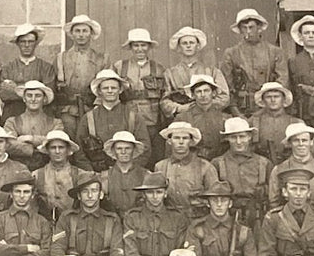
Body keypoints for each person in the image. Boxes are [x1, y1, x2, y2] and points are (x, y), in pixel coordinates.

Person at [75, 69, 151, 171]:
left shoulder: (133, 116)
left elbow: (145, 149)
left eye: (113, 88)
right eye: (106, 88)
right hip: (97, 176)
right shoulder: (88, 118)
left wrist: (129, 170)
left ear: (120, 90)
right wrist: (91, 174)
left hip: (128, 173)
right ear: (99, 91)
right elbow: (79, 152)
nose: (110, 91)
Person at [114, 28, 166, 167]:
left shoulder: (159, 68)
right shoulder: (119, 67)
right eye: (136, 45)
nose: (140, 49)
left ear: (149, 47)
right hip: (126, 118)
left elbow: (165, 95)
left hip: (152, 119)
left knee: (151, 154)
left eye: (143, 45)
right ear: (130, 47)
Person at [221, 9, 288, 116]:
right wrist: (236, 111)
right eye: (244, 27)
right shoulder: (231, 53)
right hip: (241, 107)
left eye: (251, 27)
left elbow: (283, 80)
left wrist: (269, 103)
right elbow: (227, 84)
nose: (248, 31)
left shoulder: (275, 52)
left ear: (259, 28)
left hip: (269, 107)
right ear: (240, 30)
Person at [212, 117, 272, 231]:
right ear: (227, 138)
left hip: (259, 219)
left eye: (242, 136)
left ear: (249, 137)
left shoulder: (264, 163)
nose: (238, 141)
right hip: (227, 219)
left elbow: (274, 195)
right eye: (234, 137)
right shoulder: (217, 164)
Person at [55, 15, 110, 139]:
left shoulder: (102, 59)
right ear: (72, 34)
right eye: (77, 31)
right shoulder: (61, 58)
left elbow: (106, 86)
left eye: (85, 31)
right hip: (66, 110)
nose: (81, 35)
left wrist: (97, 108)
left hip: (92, 108)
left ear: (91, 34)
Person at [160, 26, 229, 119]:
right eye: (184, 43)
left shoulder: (212, 71)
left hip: (208, 116)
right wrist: (181, 108)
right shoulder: (170, 73)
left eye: (191, 43)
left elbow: (224, 97)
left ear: (198, 46)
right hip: (181, 118)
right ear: (179, 47)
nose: (188, 46)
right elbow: (164, 101)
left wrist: (203, 105)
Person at [155, 122, 219, 219]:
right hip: (169, 221)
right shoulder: (160, 167)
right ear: (169, 141)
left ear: (191, 141)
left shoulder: (205, 167)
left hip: (197, 220)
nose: (181, 142)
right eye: (176, 138)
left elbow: (215, 198)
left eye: (185, 138)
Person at [0, 24, 56, 124]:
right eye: (23, 42)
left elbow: (48, 95)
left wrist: (16, 88)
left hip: (40, 118)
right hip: (13, 115)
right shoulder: (8, 68)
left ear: (36, 43)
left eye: (30, 42)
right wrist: (36, 91)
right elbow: (4, 94)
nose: (27, 45)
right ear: (17, 43)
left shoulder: (46, 68)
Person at [4, 80, 63, 170]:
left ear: (44, 99)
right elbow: (8, 145)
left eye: (38, 96)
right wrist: (34, 149)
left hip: (47, 170)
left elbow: (55, 144)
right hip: (18, 170)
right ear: (24, 99)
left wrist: (30, 138)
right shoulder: (12, 122)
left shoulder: (56, 123)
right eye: (29, 95)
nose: (33, 99)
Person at [32, 130, 88, 222]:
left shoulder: (80, 174)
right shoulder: (36, 175)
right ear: (47, 150)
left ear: (68, 150)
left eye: (61, 147)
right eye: (53, 148)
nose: (57, 151)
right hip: (44, 225)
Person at [174, 74, 229, 160]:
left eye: (206, 91)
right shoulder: (182, 118)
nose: (203, 95)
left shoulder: (225, 118)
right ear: (193, 95)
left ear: (213, 93)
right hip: (192, 163)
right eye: (198, 91)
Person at [249, 82, 302, 165]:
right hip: (260, 167)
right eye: (268, 97)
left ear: (284, 99)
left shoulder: (297, 123)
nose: (273, 100)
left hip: (291, 167)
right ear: (262, 100)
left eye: (276, 96)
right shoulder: (253, 122)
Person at [267, 122, 314, 209]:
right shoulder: (279, 170)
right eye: (296, 140)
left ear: (311, 142)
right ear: (290, 144)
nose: (301, 144)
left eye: (304, 140)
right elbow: (273, 202)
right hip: (288, 219)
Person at [101, 131, 148, 216]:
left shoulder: (145, 175)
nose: (123, 152)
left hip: (139, 223)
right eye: (119, 148)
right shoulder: (105, 176)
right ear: (113, 151)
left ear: (134, 150)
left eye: (128, 148)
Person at [289, 15, 314, 130]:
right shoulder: (294, 61)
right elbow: (292, 86)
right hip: (304, 111)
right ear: (301, 36)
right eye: (306, 33)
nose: (310, 35)